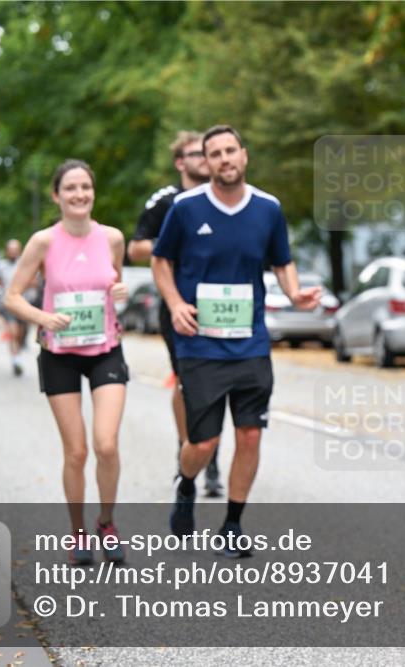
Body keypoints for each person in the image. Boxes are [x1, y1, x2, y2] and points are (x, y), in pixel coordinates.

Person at [151, 125, 320, 557]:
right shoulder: (186, 208)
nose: (224, 159)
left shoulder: (268, 208)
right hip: (200, 345)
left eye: (231, 150)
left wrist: (294, 291)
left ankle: (232, 524)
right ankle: (185, 483)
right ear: (205, 163)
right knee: (203, 443)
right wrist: (173, 304)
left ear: (244, 156)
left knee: (249, 436)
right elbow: (160, 260)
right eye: (215, 154)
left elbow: (283, 262)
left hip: (251, 344)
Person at [5, 159, 129, 566]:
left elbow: (114, 283)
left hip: (105, 349)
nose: (79, 195)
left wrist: (121, 292)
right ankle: (78, 534)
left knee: (106, 444)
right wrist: (42, 319)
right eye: (71, 188)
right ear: (57, 196)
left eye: (86, 188)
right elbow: (13, 296)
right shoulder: (43, 241)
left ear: (93, 192)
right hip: (59, 354)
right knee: (75, 452)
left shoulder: (112, 238)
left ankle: (106, 524)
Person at [129, 131, 224, 498]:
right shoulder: (166, 200)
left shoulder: (226, 196)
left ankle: (210, 456)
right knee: (187, 381)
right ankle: (187, 446)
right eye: (195, 153)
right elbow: (136, 248)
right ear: (180, 162)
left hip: (220, 304)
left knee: (219, 384)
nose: (204, 158)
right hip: (178, 306)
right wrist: (175, 243)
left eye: (208, 152)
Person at [0, 239, 37, 376]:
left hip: (24, 303)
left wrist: (23, 284)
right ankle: (16, 361)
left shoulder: (26, 264)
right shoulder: (1, 265)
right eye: (10, 250)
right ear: (7, 251)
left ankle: (18, 353)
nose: (13, 253)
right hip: (9, 303)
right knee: (13, 332)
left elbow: (35, 282)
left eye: (16, 250)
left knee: (20, 334)